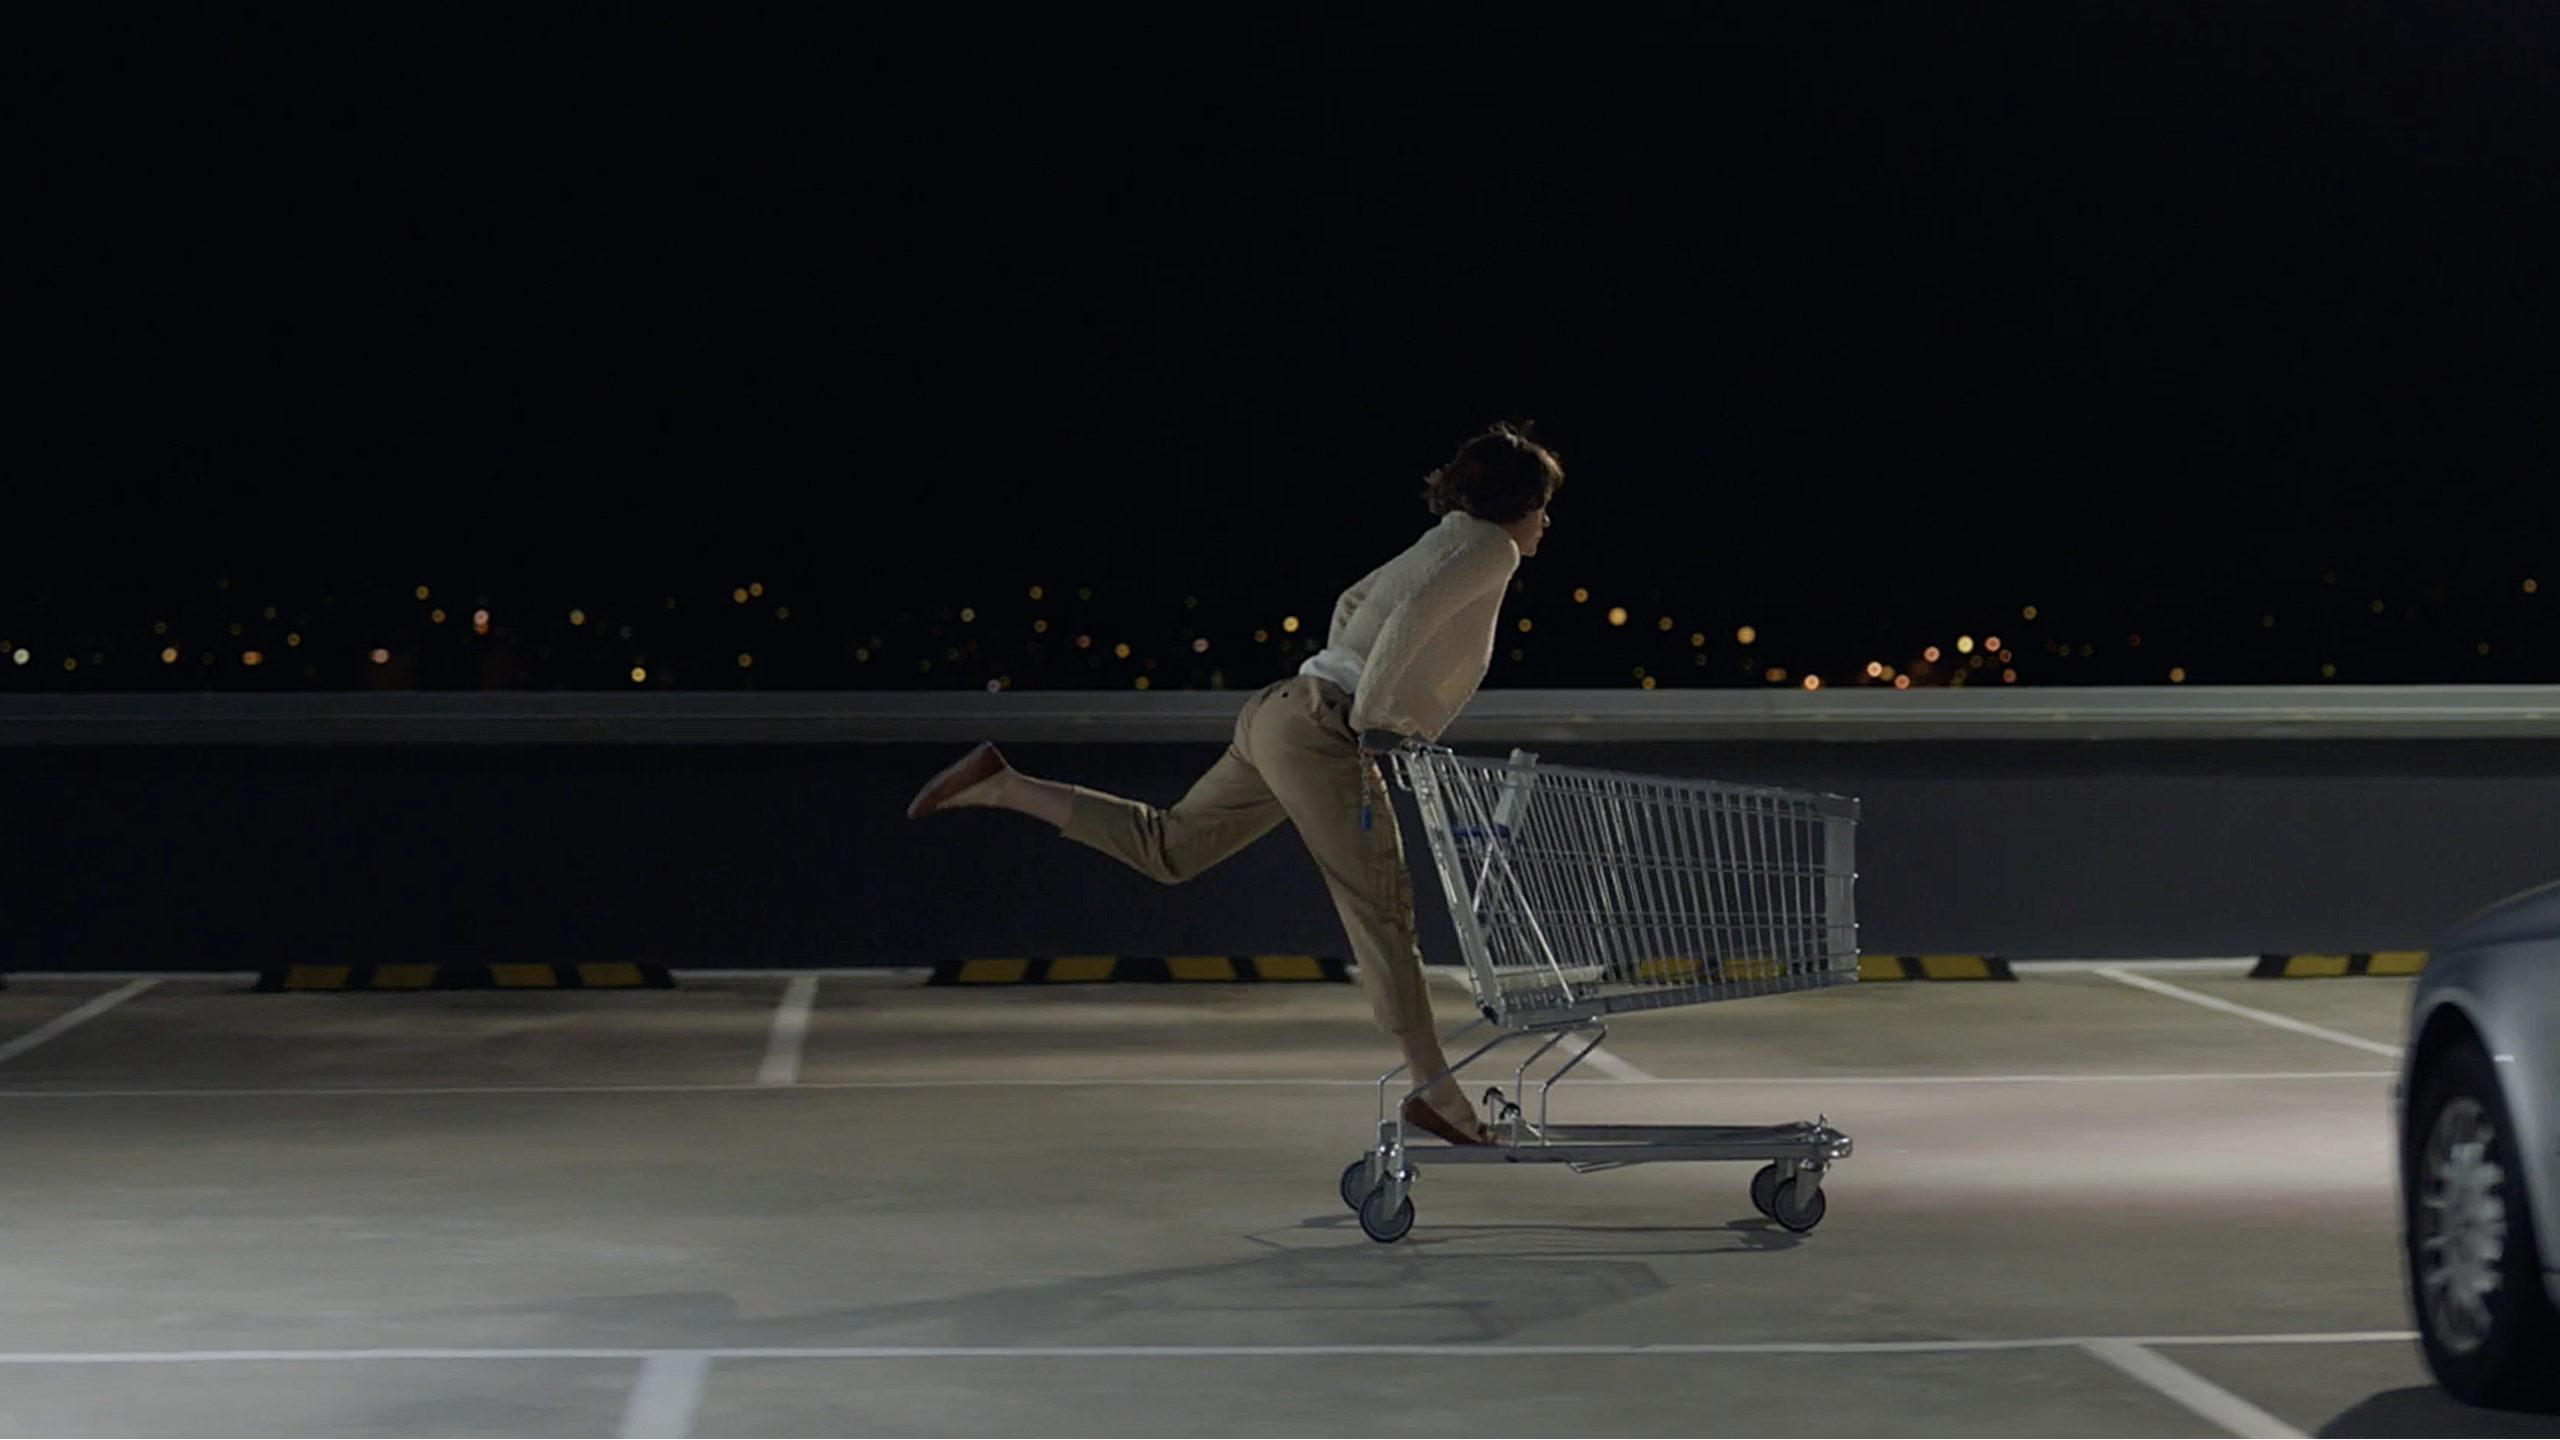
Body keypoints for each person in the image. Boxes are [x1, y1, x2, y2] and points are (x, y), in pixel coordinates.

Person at [906, 420, 1563, 1145]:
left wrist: (1359, 688)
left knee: (1170, 849)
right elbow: (1409, 621)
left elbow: (1354, 602)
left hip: (1281, 710)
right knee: (1383, 911)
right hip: (1327, 729)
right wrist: (1378, 721)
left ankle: (1004, 785)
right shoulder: (1492, 547)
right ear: (1517, 501)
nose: (1546, 521)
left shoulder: (1446, 535)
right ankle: (1438, 1094)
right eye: (1542, 503)